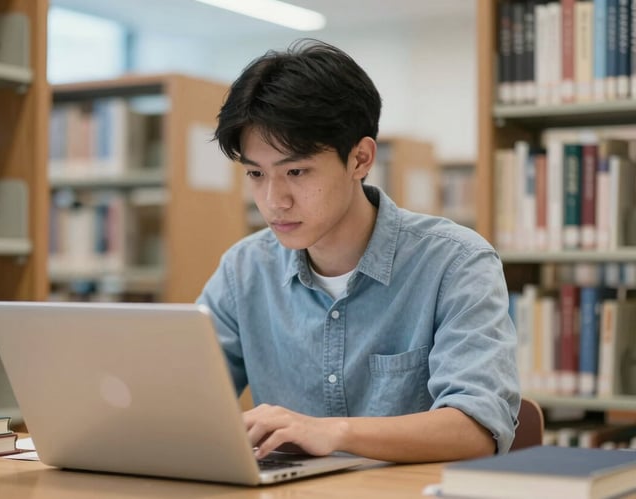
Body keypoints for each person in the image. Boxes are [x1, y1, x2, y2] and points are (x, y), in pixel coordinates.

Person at [197, 39, 520, 464]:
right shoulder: (244, 269)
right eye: (256, 174)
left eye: (296, 171)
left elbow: (477, 427)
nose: (274, 200)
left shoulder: (455, 263)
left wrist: (333, 432)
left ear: (360, 159)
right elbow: (185, 401)